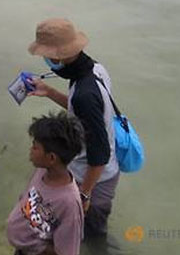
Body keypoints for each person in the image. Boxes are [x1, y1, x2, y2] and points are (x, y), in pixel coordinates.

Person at [27, 18, 120, 239]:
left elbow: (100, 154)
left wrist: (85, 195)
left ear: (57, 56)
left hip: (95, 179)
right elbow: (81, 110)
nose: (45, 60)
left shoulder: (84, 95)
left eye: (45, 56)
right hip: (99, 171)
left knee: (92, 238)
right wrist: (49, 91)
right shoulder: (94, 69)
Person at [7, 112, 85, 255]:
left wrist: (38, 248)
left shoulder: (69, 203)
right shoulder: (41, 171)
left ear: (51, 158)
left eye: (35, 147)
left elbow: (67, 251)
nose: (31, 150)